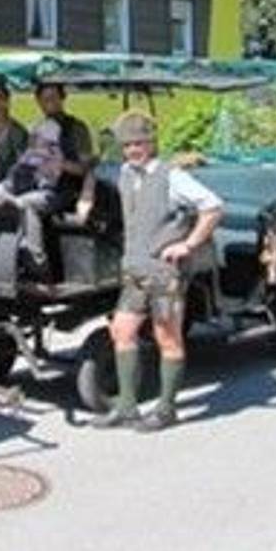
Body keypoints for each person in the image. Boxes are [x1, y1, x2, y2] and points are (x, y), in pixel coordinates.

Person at [92, 110, 223, 432]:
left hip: (164, 275)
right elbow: (93, 171)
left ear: (151, 143)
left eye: (138, 143)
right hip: (135, 272)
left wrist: (188, 245)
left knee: (168, 338)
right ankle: (127, 407)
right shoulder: (125, 173)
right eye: (127, 144)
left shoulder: (171, 176)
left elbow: (213, 206)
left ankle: (166, 409)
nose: (132, 149)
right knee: (122, 331)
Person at [13, 83, 96, 282]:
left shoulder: (77, 128)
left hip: (66, 190)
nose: (49, 102)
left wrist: (60, 163)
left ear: (62, 98)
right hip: (37, 185)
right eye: (44, 98)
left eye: (53, 97)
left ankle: (38, 263)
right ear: (38, 101)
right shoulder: (36, 127)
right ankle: (11, 258)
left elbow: (85, 168)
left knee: (28, 203)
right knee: (4, 199)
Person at [0, 82, 28, 177]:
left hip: (8, 181)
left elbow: (22, 163)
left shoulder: (17, 132)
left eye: (0, 97)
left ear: (7, 101)